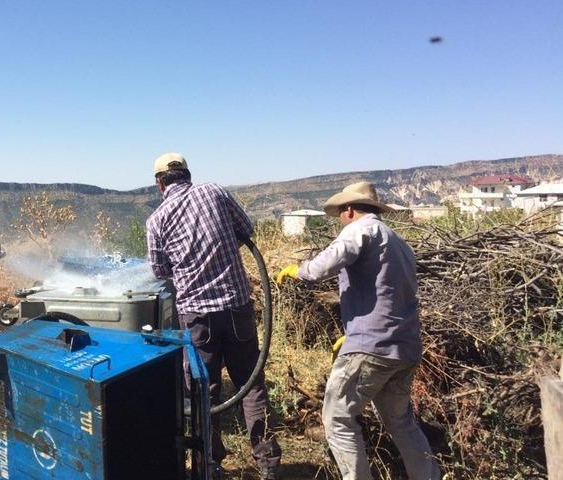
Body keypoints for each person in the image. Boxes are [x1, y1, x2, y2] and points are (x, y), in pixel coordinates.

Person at [277, 181, 440, 480]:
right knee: (401, 422)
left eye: (340, 212)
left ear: (349, 209)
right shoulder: (398, 242)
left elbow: (326, 264)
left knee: (337, 418)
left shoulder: (361, 230)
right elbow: (389, 294)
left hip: (372, 346)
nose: (340, 217)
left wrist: (299, 270)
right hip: (404, 346)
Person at [146, 152, 281, 480]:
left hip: (197, 319)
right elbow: (246, 229)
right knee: (251, 386)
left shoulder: (156, 221)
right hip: (237, 309)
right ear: (187, 173)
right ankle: (269, 466)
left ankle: (211, 466)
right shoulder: (214, 192)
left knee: (204, 392)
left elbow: (159, 271)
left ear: (160, 183)